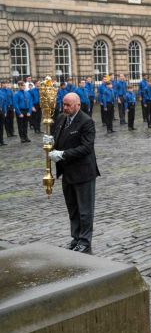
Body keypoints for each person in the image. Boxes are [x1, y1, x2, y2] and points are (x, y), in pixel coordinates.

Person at [47, 93, 100, 254]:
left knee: (85, 210)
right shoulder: (62, 118)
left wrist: (63, 154)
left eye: (68, 105)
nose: (64, 108)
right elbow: (58, 138)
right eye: (63, 104)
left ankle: (85, 241)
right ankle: (76, 237)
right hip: (68, 172)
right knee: (73, 209)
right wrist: (50, 143)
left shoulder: (86, 121)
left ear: (77, 105)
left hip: (83, 172)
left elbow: (86, 148)